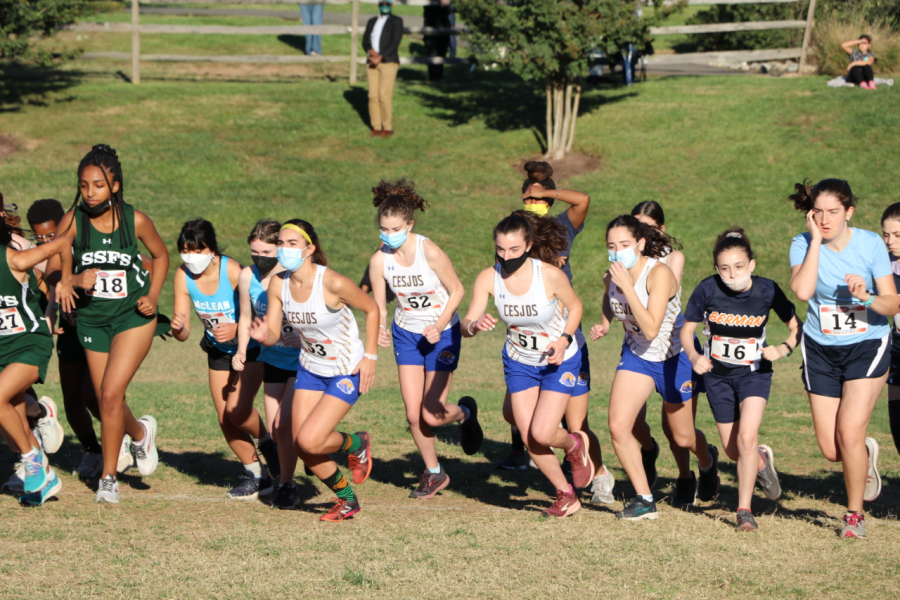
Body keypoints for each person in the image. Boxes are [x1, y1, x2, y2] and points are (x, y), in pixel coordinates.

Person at [54, 144, 169, 504]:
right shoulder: (72, 221)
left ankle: (108, 478)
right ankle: (139, 433)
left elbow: (161, 255)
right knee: (105, 398)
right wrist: (71, 282)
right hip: (92, 318)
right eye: (84, 185)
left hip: (132, 316)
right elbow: (56, 266)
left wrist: (153, 294)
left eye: (98, 186)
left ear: (115, 186)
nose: (90, 193)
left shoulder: (135, 220)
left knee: (108, 394)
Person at [497, 161, 614, 505]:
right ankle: (534, 452)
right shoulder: (514, 234)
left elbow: (583, 200)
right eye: (529, 198)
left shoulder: (563, 225)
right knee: (513, 414)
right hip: (528, 345)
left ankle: (599, 473)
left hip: (565, 334)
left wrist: (546, 192)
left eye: (541, 199)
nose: (535, 205)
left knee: (576, 421)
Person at [462, 211, 593, 518]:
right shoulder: (488, 278)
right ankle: (566, 494)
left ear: (529, 245)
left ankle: (574, 444)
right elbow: (465, 323)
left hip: (558, 360)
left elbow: (576, 308)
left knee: (544, 433)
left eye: (515, 250)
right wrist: (474, 325)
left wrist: (562, 339)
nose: (506, 256)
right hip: (519, 362)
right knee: (529, 435)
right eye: (501, 249)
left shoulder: (548, 275)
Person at [789, 179, 897, 539]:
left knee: (848, 431)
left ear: (848, 212)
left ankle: (854, 516)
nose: (824, 218)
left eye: (833, 212)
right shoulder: (802, 244)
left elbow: (893, 304)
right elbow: (803, 291)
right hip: (820, 348)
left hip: (867, 344)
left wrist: (865, 297)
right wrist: (816, 242)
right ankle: (862, 454)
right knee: (831, 448)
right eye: (818, 212)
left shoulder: (869, 245)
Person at [250, 220, 379, 521]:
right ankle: (348, 499)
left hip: (345, 370)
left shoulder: (332, 283)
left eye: (292, 244)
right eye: (280, 243)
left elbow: (372, 308)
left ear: (309, 249)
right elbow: (273, 333)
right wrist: (262, 335)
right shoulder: (278, 284)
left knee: (310, 440)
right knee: (301, 443)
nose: (284, 249)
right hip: (309, 368)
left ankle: (357, 444)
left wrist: (371, 355)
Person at [591, 215, 717, 521]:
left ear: (641, 244)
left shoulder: (658, 274)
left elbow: (651, 328)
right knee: (619, 426)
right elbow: (612, 302)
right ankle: (645, 499)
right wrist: (605, 322)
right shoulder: (613, 276)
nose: (617, 251)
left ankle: (707, 460)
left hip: (675, 358)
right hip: (638, 356)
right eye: (611, 246)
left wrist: (627, 288)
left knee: (683, 438)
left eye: (624, 245)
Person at [367, 180, 481, 499]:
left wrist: (439, 324)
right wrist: (379, 328)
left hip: (442, 335)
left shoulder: (427, 251)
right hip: (407, 336)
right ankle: (434, 473)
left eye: (395, 228)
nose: (389, 234)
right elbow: (378, 301)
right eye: (384, 228)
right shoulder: (380, 260)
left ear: (410, 224)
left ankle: (466, 414)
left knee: (432, 413)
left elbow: (457, 290)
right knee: (412, 412)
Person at [681, 228, 800, 531]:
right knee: (734, 451)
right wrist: (695, 357)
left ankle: (744, 511)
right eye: (724, 268)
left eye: (738, 266)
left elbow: (796, 326)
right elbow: (686, 330)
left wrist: (784, 347)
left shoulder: (767, 290)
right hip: (718, 378)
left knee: (746, 438)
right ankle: (759, 461)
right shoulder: (707, 289)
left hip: (754, 375)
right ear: (715, 268)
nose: (731, 274)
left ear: (752, 265)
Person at [171, 219, 280, 501]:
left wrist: (235, 328)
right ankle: (256, 475)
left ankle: (268, 444)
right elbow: (183, 333)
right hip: (218, 351)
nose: (191, 257)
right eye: (185, 251)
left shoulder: (232, 270)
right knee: (225, 418)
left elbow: (260, 308)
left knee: (236, 409)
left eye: (198, 250)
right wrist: (178, 328)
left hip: (250, 347)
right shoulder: (182, 276)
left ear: (213, 249)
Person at [629, 200, 709, 508]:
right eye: (636, 226)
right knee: (631, 421)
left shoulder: (673, 258)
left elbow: (672, 287)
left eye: (647, 227)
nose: (641, 232)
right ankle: (648, 450)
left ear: (660, 230)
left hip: (675, 350)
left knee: (680, 434)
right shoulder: (627, 258)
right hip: (639, 350)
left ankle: (695, 470)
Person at [25, 198, 106, 478]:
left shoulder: (85, 245)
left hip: (98, 327)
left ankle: (121, 440)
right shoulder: (47, 260)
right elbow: (50, 285)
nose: (47, 241)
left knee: (94, 394)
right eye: (40, 238)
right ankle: (93, 450)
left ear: (64, 226)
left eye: (51, 235)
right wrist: (50, 311)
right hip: (70, 332)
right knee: (72, 403)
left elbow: (141, 263)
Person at [0, 218, 72, 505]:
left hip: (28, 343)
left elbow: (64, 244)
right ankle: (45, 477)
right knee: (8, 422)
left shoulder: (15, 258)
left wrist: (65, 283)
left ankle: (31, 459)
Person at [235, 219, 302, 509]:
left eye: (266, 252)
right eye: (254, 252)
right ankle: (287, 480)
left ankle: (289, 481)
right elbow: (245, 318)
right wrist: (240, 350)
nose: (260, 258)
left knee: (290, 425)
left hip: (301, 359)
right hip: (272, 357)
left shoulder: (289, 277)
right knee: (277, 431)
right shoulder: (247, 277)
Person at [362, 0, 403, 138]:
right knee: (372, 95)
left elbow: (395, 42)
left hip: (388, 62)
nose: (385, 7)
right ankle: (376, 126)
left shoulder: (396, 21)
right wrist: (371, 52)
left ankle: (388, 127)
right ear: (379, 5)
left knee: (384, 95)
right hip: (372, 62)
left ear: (392, 6)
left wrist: (381, 56)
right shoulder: (372, 21)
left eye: (387, 4)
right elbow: (365, 40)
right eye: (382, 4)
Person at [880, 203, 900, 458]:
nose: (890, 241)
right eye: (886, 235)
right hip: (897, 345)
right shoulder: (884, 267)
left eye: (897, 235)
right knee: (896, 414)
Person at [423, 0, 452, 81]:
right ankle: (434, 77)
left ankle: (439, 77)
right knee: (432, 51)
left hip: (443, 22)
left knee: (442, 50)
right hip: (430, 21)